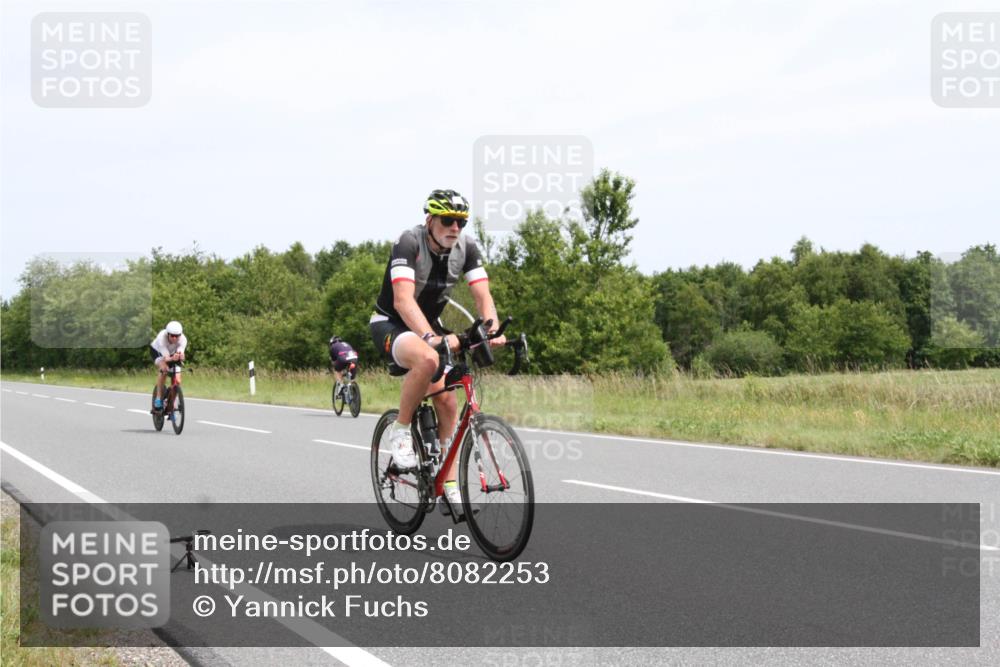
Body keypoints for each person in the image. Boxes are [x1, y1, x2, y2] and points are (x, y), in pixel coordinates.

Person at [369, 189, 506, 517]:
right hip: (392, 324)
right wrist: (430, 337)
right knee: (428, 359)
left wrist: (492, 329)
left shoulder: (467, 248)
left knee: (447, 398)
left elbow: (482, 295)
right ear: (430, 220)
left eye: (461, 221)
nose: (455, 228)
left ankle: (447, 480)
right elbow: (403, 300)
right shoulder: (409, 243)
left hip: (430, 327)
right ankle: (401, 430)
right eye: (448, 220)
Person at [150, 321, 187, 410]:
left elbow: (181, 352)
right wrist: (172, 358)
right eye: (172, 336)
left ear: (180, 335)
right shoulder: (161, 338)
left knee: (177, 380)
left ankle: (171, 402)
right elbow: (166, 358)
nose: (174, 338)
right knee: (164, 369)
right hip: (157, 351)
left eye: (177, 336)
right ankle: (158, 398)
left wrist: (181, 356)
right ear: (167, 334)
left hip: (172, 353)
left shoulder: (183, 339)